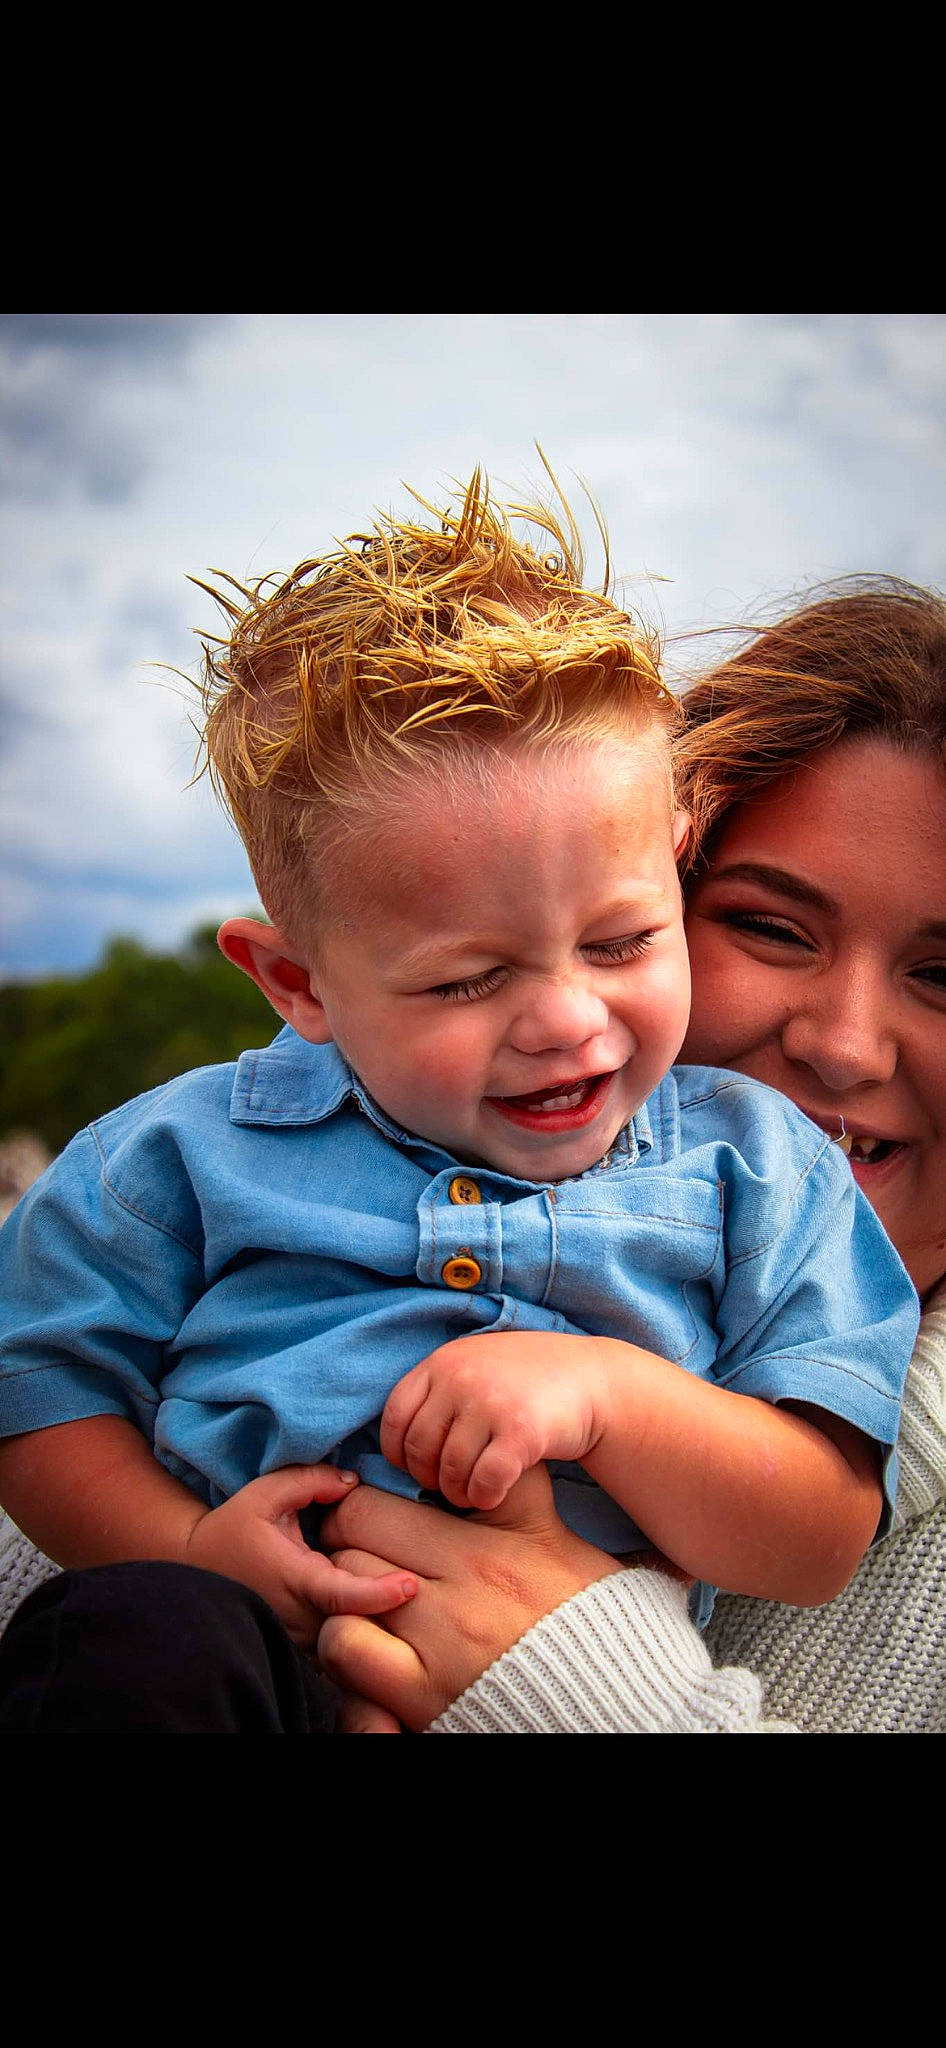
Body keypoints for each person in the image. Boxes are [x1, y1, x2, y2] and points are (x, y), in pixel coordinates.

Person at [0, 492, 920, 1733]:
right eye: (467, 979)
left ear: (671, 854)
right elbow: (39, 1382)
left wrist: (605, 1394)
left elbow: (816, 1527)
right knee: (137, 1639)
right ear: (295, 981)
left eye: (621, 941)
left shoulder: (757, 1170)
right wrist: (183, 1544)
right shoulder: (185, 1153)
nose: (563, 1020)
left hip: (564, 1686)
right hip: (225, 1658)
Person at [309, 578, 946, 1734]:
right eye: (767, 926)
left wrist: (578, 1691)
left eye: (944, 979)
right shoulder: (261, 1194)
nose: (844, 1046)